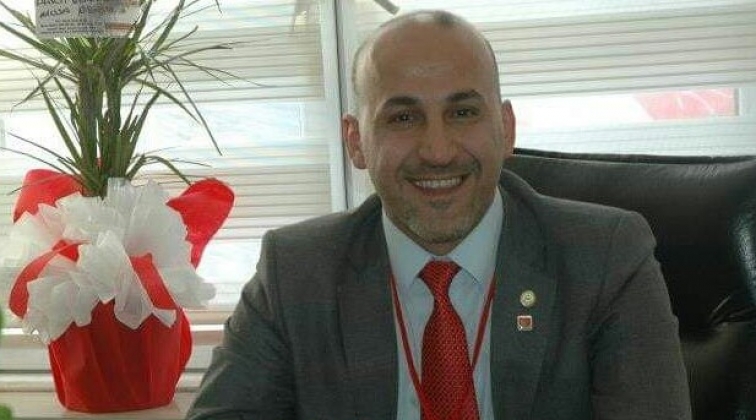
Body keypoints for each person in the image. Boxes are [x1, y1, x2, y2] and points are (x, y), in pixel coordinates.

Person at [186, 9, 692, 420]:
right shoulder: (296, 271)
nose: (437, 151)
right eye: (403, 117)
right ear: (356, 141)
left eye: (463, 112)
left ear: (506, 128)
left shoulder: (605, 259)